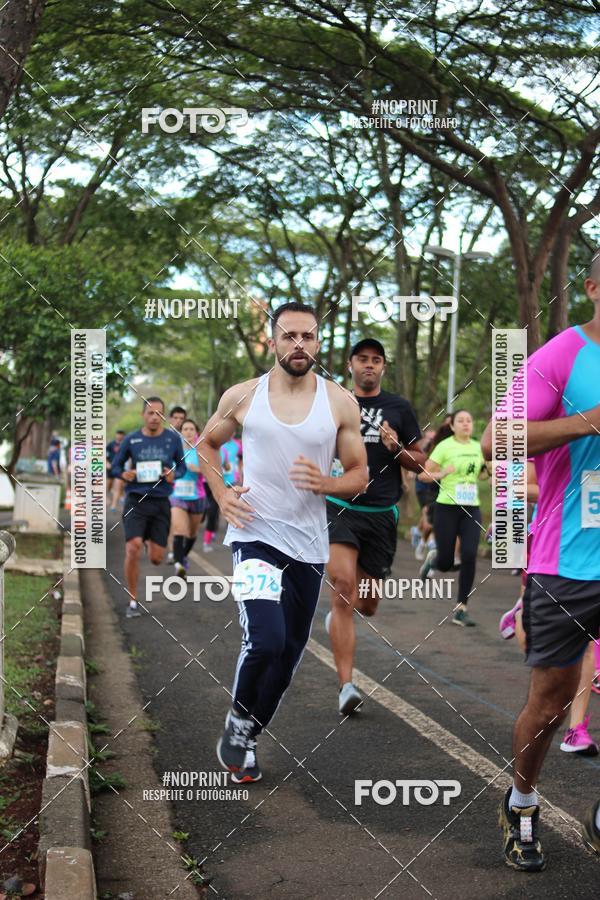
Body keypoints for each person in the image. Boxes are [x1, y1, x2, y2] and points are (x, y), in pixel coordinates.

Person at [199, 301, 368, 784]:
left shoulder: (339, 401)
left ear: (319, 343)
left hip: (309, 545)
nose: (299, 344)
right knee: (266, 639)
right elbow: (207, 444)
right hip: (255, 535)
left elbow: (359, 475)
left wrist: (327, 484)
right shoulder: (243, 395)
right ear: (272, 341)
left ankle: (247, 735)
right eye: (289, 336)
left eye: (308, 337)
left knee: (290, 652)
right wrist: (221, 491)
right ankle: (237, 721)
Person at [481, 251, 600, 872]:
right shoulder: (563, 354)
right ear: (592, 287)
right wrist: (587, 423)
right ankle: (521, 800)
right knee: (551, 701)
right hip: (567, 562)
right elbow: (494, 440)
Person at [324, 338, 425, 714]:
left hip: (382, 513)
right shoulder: (333, 402)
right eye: (362, 359)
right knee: (343, 588)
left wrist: (397, 448)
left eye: (376, 360)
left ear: (383, 367)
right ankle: (346, 686)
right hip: (339, 507)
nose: (369, 365)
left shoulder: (398, 407)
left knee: (366, 604)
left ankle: (337, 619)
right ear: (350, 365)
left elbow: (420, 462)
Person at [111, 397, 186, 618]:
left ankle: (145, 540)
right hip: (136, 499)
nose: (155, 417)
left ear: (164, 417)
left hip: (161, 502)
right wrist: (123, 473)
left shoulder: (172, 440)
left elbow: (181, 468)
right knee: (132, 547)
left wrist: (174, 475)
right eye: (151, 413)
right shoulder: (131, 440)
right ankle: (132, 600)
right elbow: (115, 467)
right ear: (143, 415)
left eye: (159, 414)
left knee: (156, 558)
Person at [418, 409, 488, 626]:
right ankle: (435, 559)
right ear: (453, 426)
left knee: (468, 555)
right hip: (447, 508)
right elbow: (423, 474)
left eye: (469, 420)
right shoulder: (444, 446)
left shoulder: (479, 447)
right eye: (461, 420)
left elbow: (482, 474)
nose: (466, 424)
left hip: (471, 509)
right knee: (447, 563)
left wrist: (489, 471)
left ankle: (461, 608)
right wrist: (441, 473)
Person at [171, 419, 206, 579]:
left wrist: (198, 469)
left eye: (192, 429)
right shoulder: (174, 450)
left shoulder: (202, 451)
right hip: (177, 495)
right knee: (179, 530)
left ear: (196, 432)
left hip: (197, 496)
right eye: (185, 429)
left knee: (191, 533)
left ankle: (182, 557)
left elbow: (212, 472)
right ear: (181, 432)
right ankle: (179, 565)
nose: (189, 432)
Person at [411, 428, 438, 560]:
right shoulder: (425, 450)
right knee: (428, 520)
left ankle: (419, 535)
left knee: (432, 521)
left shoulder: (443, 449)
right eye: (430, 438)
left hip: (437, 488)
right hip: (423, 487)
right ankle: (426, 542)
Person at [106, 430, 126, 511]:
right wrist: (107, 463)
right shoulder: (111, 444)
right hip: (111, 467)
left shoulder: (125, 444)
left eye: (121, 434)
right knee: (109, 485)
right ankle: (107, 496)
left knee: (118, 485)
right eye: (118, 434)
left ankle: (114, 505)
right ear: (116, 435)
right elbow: (105, 455)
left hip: (120, 468)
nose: (120, 436)